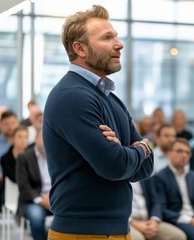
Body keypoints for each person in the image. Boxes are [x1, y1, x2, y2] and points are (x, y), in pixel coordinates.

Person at [43, 5, 154, 239]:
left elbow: (146, 167)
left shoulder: (110, 99)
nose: (119, 44)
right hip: (82, 233)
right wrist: (141, 147)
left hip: (118, 230)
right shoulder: (72, 96)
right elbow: (115, 166)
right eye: (107, 37)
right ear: (80, 48)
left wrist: (127, 152)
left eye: (116, 36)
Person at [16, 128, 53, 240]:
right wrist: (42, 201)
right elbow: (23, 186)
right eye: (42, 137)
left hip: (54, 198)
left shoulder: (56, 156)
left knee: (72, 214)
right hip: (33, 201)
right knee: (36, 217)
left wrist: (52, 198)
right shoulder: (24, 158)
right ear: (36, 139)